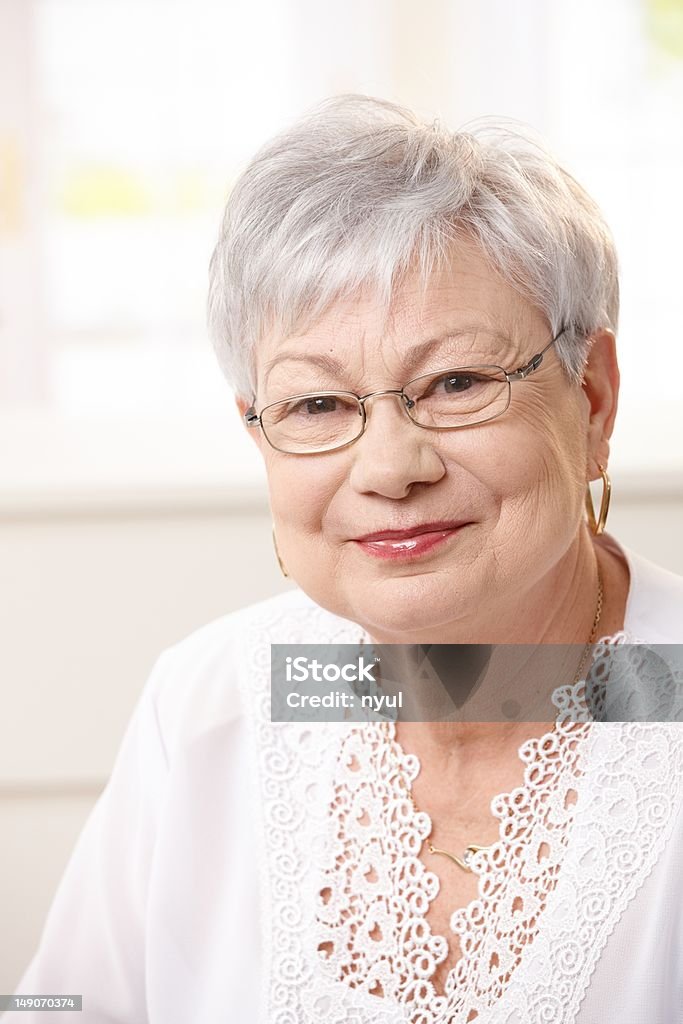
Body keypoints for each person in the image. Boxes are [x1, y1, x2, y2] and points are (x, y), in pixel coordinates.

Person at [11, 95, 683, 1024]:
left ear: (593, 399)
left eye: (457, 383)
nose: (390, 469)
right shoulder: (206, 703)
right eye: (317, 405)